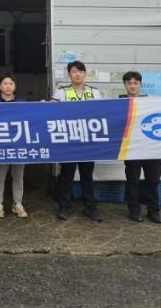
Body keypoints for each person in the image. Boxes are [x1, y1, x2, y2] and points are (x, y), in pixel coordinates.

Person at [51, 60, 103, 222]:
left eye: (80, 71)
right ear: (69, 74)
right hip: (68, 140)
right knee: (66, 175)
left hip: (88, 140)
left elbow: (104, 112)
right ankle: (64, 207)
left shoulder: (94, 92)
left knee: (87, 175)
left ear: (85, 74)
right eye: (74, 71)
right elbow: (50, 110)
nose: (77, 74)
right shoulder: (61, 92)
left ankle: (90, 208)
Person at [120, 71, 161, 224]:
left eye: (135, 83)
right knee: (133, 181)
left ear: (140, 85)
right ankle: (134, 211)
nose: (132, 86)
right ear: (125, 85)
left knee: (153, 181)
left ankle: (153, 211)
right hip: (131, 149)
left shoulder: (150, 101)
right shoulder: (119, 102)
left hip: (151, 148)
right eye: (129, 83)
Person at [0, 74, 28, 219]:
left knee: (18, 176)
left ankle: (17, 203)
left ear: (15, 86)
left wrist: (42, 104)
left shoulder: (22, 103)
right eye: (5, 83)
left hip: (19, 145)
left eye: (10, 83)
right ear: (0, 86)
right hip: (0, 145)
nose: (8, 86)